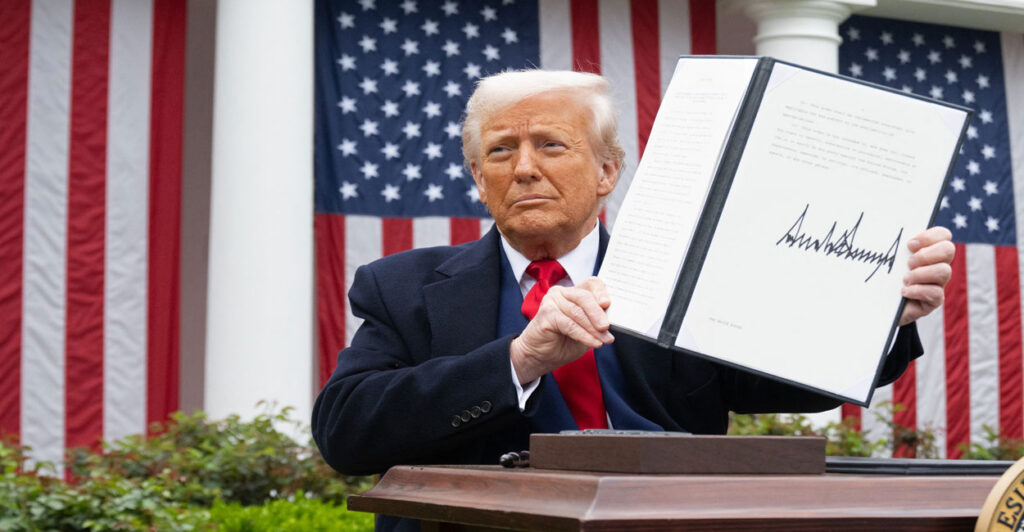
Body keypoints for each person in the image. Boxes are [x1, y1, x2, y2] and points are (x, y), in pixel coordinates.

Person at [312, 70, 954, 529]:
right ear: (479, 179)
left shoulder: (693, 274)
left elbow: (794, 384)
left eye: (551, 145)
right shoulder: (400, 287)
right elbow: (345, 433)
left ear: (607, 171)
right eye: (501, 151)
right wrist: (520, 360)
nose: (525, 168)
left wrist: (877, 313)